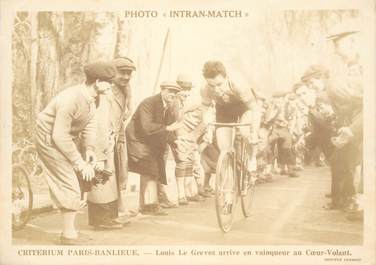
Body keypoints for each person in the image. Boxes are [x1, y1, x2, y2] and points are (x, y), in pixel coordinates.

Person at [35, 61, 116, 244]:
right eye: (109, 82)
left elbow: (90, 123)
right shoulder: (71, 98)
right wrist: (79, 162)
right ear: (97, 82)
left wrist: (89, 149)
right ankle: (68, 235)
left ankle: (70, 230)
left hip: (63, 136)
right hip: (48, 137)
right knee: (69, 180)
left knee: (77, 177)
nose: (112, 85)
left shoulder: (94, 97)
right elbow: (59, 135)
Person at [126, 81, 183, 216]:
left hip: (150, 141)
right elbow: (146, 128)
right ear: (162, 90)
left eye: (175, 93)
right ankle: (148, 206)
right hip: (137, 140)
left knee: (155, 168)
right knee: (149, 168)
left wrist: (176, 141)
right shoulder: (149, 103)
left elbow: (168, 128)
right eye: (170, 91)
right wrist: (167, 129)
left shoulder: (167, 107)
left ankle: (148, 204)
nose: (172, 95)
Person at [325, 22, 363, 217]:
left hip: (362, 122)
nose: (336, 52)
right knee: (344, 159)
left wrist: (352, 130)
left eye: (337, 45)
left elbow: (362, 98)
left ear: (353, 41)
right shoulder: (351, 65)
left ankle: (359, 201)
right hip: (357, 121)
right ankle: (352, 199)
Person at [168, 74, 207, 205]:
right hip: (177, 135)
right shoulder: (174, 102)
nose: (185, 92)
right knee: (182, 162)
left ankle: (188, 192)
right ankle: (181, 194)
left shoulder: (187, 102)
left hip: (188, 136)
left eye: (188, 89)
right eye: (183, 89)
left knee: (189, 162)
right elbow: (176, 120)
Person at [111, 57, 136, 217]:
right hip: (105, 134)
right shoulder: (107, 89)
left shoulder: (126, 88)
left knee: (120, 168)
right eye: (122, 73)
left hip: (118, 132)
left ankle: (119, 206)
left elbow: (128, 108)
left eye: (129, 73)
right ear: (113, 72)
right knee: (109, 169)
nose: (126, 77)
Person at [264, 91, 299, 178]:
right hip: (273, 128)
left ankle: (290, 170)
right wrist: (274, 110)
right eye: (277, 100)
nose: (279, 102)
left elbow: (293, 119)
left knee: (287, 148)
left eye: (281, 100)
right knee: (270, 149)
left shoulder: (290, 107)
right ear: (274, 100)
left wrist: (290, 130)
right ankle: (268, 172)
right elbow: (267, 119)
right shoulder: (271, 107)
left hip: (285, 129)